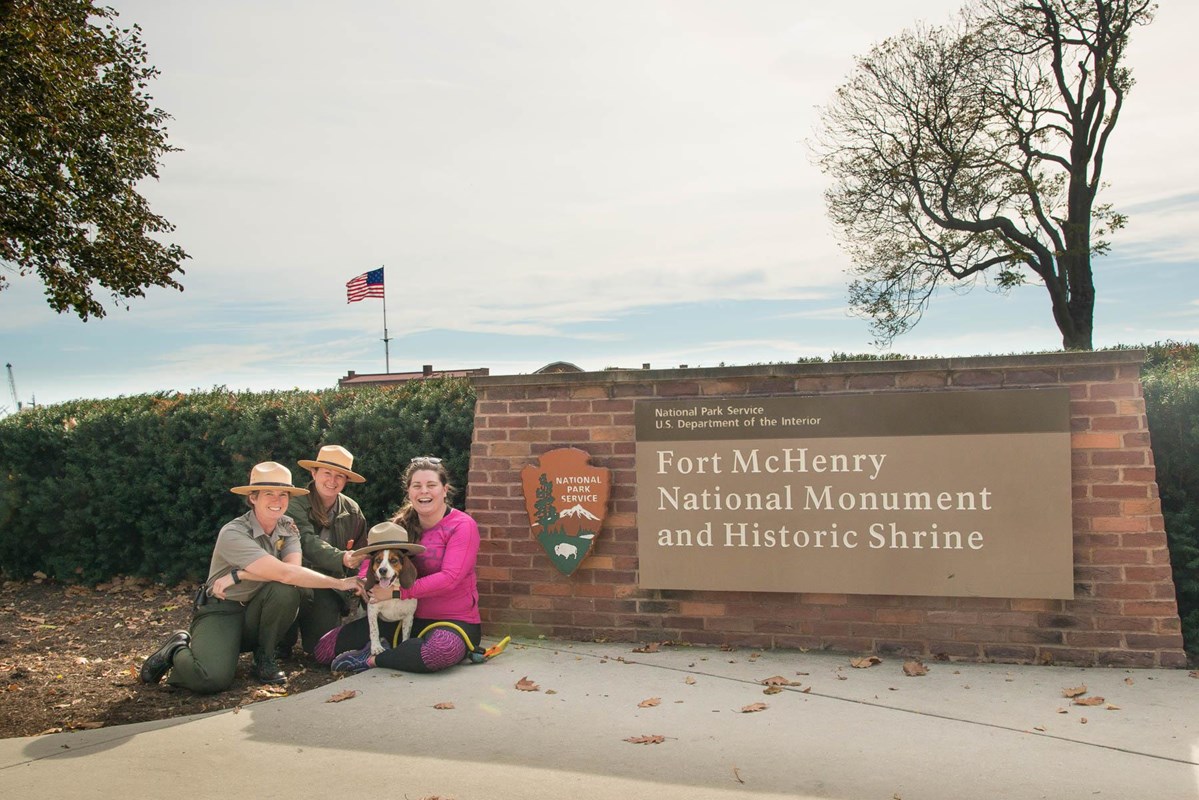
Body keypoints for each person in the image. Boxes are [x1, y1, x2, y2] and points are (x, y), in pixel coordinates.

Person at [139, 462, 364, 693]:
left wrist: (239, 574)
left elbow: (291, 572)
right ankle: (176, 648)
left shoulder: (287, 526)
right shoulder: (234, 532)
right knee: (210, 679)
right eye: (269, 493)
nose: (277, 501)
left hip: (258, 607)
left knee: (287, 591)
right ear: (253, 498)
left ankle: (265, 658)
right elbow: (286, 572)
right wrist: (340, 583)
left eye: (283, 494)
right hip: (223, 609)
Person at [321, 457, 481, 674]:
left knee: (439, 651)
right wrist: (366, 586)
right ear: (409, 492)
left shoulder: (462, 526)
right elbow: (371, 558)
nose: (424, 491)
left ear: (444, 490)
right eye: (417, 486)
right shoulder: (399, 525)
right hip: (397, 616)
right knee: (324, 650)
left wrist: (397, 593)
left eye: (431, 485)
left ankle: (373, 660)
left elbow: (450, 578)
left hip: (452, 621)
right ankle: (401, 652)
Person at [281, 445, 369, 656]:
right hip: (295, 581)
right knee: (288, 597)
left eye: (340, 476)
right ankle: (280, 643)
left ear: (346, 480)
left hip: (330, 587)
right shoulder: (295, 505)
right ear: (314, 473)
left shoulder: (352, 509)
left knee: (321, 651)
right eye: (327, 473)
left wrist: (362, 582)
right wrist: (343, 559)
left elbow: (362, 551)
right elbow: (306, 542)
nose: (332, 480)